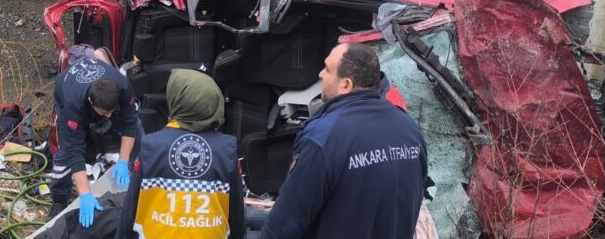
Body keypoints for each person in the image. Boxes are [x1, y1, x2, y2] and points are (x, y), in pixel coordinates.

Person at [260, 43, 427, 239]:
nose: (321, 74)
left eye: (328, 69)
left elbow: (285, 224)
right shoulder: (409, 129)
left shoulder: (323, 138)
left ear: (345, 85)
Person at [120, 69, 244, 238]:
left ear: (176, 99)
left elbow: (130, 211)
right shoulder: (227, 149)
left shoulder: (151, 146)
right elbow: (236, 216)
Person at [50, 57, 141, 228]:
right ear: (91, 103)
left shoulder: (122, 85)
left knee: (138, 130)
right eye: (104, 113)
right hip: (66, 90)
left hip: (103, 91)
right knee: (64, 155)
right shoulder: (73, 103)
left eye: (111, 112)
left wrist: (123, 159)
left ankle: (138, 178)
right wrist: (85, 194)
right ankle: (59, 199)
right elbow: (74, 150)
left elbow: (130, 123)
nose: (108, 116)